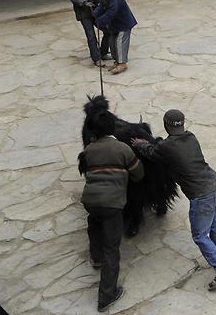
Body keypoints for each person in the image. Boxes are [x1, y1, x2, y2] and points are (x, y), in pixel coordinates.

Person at [131, 111, 216, 291]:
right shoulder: (191, 137)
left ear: (165, 124)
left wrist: (140, 144)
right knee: (213, 222)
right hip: (215, 184)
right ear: (183, 124)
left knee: (199, 235)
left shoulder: (166, 146)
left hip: (201, 195)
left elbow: (151, 152)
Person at [81, 108, 143, 312]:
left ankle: (95, 257)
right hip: (112, 203)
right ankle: (107, 296)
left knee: (94, 224)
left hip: (90, 200)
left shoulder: (89, 149)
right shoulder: (123, 148)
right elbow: (138, 174)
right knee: (112, 248)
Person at [92, 0, 136, 75]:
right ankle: (117, 61)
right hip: (115, 24)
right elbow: (101, 6)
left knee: (120, 42)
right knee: (112, 42)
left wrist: (100, 20)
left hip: (124, 23)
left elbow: (112, 12)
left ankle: (122, 63)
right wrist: (94, 14)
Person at [68, 0, 110, 65]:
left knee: (107, 30)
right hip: (84, 14)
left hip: (95, 11)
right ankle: (96, 58)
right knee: (91, 36)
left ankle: (103, 52)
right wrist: (84, 2)